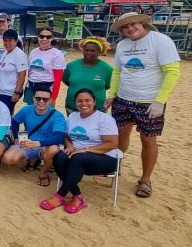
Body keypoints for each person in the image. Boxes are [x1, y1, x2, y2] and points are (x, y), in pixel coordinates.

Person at [106, 12, 181, 198]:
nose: (130, 29)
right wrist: (112, 95)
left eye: (133, 24)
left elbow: (173, 72)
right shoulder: (123, 45)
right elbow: (117, 71)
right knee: (121, 134)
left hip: (149, 101)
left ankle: (145, 179)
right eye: (125, 27)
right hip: (123, 99)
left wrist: (160, 100)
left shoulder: (160, 41)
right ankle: (116, 165)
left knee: (148, 140)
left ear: (142, 23)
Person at [40, 88, 120, 213]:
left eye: (87, 100)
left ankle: (60, 196)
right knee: (59, 157)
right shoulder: (73, 116)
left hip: (105, 158)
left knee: (78, 158)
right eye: (80, 101)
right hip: (77, 155)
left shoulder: (104, 119)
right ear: (76, 102)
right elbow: (66, 136)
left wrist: (86, 149)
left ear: (94, 101)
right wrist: (70, 146)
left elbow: (112, 144)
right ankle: (78, 196)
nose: (83, 104)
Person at [2, 88, 66, 185]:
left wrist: (38, 143)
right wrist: (16, 137)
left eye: (45, 99)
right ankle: (32, 160)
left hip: (45, 146)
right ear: (33, 98)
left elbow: (59, 137)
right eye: (38, 98)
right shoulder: (27, 109)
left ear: (50, 100)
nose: (41, 101)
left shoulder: (57, 116)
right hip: (28, 142)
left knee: (54, 149)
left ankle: (44, 173)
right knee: (8, 159)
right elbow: (14, 121)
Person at [63, 37, 112, 114]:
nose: (89, 52)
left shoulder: (107, 69)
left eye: (93, 51)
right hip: (73, 108)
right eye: (86, 50)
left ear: (100, 52)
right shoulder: (71, 66)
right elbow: (66, 81)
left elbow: (107, 86)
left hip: (97, 109)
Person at [25, 27, 66, 104]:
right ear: (38, 37)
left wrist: (53, 97)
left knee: (44, 113)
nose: (44, 39)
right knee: (31, 111)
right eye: (42, 36)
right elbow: (30, 71)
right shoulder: (34, 51)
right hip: (31, 86)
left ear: (52, 38)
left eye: (48, 37)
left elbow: (58, 78)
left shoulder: (57, 54)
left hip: (47, 89)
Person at [0, 29, 27, 115]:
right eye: (5, 40)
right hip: (1, 92)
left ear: (16, 41)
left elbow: (22, 74)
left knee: (3, 116)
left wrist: (17, 92)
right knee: (4, 116)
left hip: (10, 93)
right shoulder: (6, 52)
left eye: (10, 40)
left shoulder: (19, 54)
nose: (7, 43)